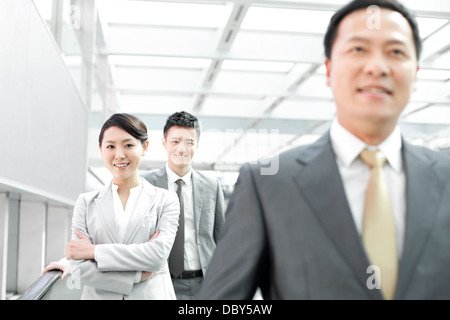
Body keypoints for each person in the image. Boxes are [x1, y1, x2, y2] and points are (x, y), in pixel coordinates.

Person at [197, 0, 450, 300]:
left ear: (416, 73)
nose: (377, 67)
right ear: (329, 70)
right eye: (358, 49)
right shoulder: (268, 183)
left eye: (396, 52)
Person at [64, 113, 179, 299]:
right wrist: (138, 275)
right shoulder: (86, 203)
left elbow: (157, 255)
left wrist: (94, 251)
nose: (119, 155)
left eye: (128, 145)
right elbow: (79, 268)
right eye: (110, 146)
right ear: (101, 149)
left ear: (144, 147)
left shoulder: (166, 200)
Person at [142, 111, 225, 300]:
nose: (182, 148)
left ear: (197, 145)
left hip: (206, 283)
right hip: (161, 282)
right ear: (164, 143)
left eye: (189, 142)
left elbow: (222, 237)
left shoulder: (212, 185)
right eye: (175, 141)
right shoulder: (146, 184)